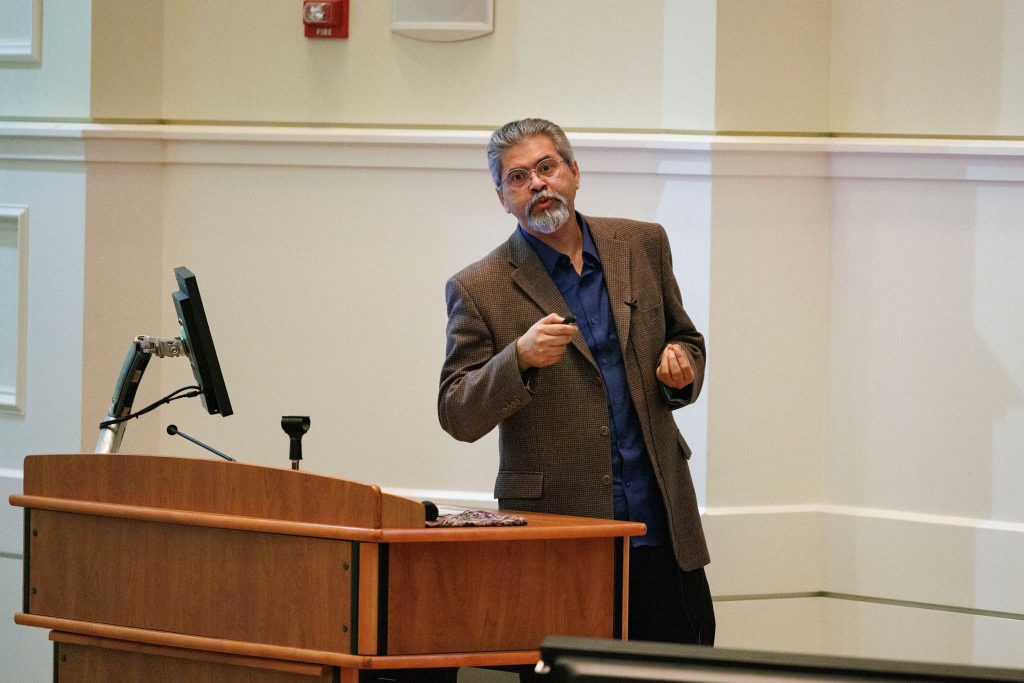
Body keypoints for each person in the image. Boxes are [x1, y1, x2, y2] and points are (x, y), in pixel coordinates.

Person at [438, 118, 715, 648]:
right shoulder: (477, 287)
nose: (537, 184)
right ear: (502, 198)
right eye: (518, 177)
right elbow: (456, 412)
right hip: (559, 537)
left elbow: (687, 340)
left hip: (660, 521)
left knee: (687, 668)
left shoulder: (642, 244)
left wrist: (682, 367)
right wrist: (516, 358)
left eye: (546, 167)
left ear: (574, 172)